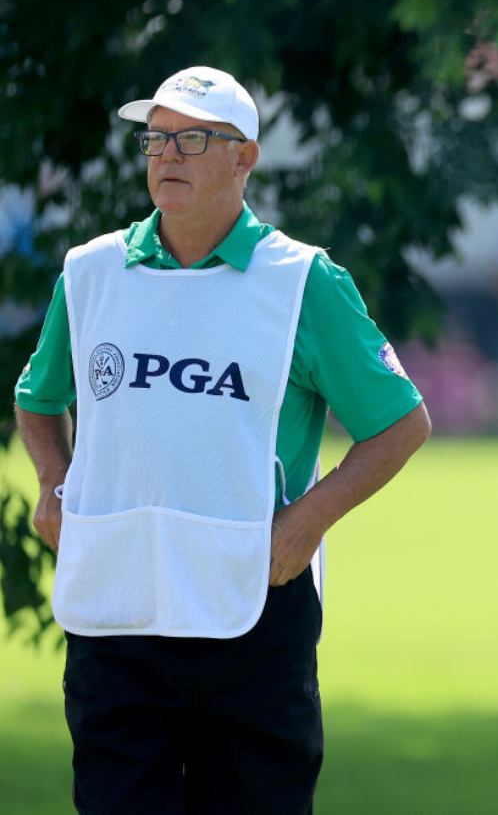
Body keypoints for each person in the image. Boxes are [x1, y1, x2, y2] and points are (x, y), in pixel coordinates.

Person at [13, 65, 432, 814]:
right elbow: (38, 399)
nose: (167, 155)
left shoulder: (302, 281)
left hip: (253, 610)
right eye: (157, 138)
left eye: (194, 139)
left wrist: (307, 522)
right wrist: (53, 479)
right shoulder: (91, 272)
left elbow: (401, 424)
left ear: (245, 159)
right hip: (118, 611)